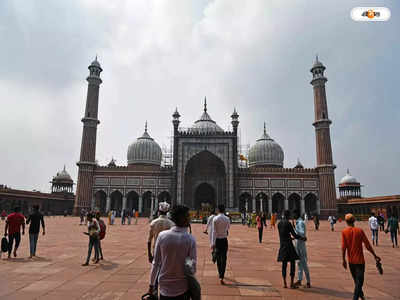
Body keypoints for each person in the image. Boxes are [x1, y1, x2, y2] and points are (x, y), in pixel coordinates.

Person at [148, 205, 196, 299]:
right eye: (188, 216)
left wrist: (151, 285)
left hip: (164, 287)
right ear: (184, 219)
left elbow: (156, 264)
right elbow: (191, 267)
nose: (189, 219)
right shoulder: (190, 240)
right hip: (182, 287)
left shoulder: (162, 236)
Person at [342, 213, 381, 300]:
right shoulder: (359, 231)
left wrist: (343, 260)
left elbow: (343, 247)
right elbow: (367, 245)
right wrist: (374, 255)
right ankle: (356, 297)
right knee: (359, 282)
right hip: (360, 261)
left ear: (346, 222)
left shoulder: (344, 232)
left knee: (357, 281)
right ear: (354, 221)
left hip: (351, 261)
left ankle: (360, 295)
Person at [277, 210, 305, 289]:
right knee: (292, 263)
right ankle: (291, 283)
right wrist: (302, 238)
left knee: (284, 264)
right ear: (288, 216)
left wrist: (289, 237)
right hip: (289, 246)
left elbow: (283, 235)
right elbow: (295, 235)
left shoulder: (279, 224)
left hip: (282, 245)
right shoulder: (288, 223)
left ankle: (284, 283)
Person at [211, 204, 230, 285]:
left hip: (217, 240)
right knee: (224, 258)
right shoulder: (227, 218)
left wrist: (212, 243)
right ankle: (222, 275)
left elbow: (214, 232)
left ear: (218, 210)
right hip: (224, 240)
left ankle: (220, 274)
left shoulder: (215, 219)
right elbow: (228, 228)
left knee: (218, 258)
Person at [293, 210, 311, 288]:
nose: (293, 216)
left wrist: (295, 230)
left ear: (297, 214)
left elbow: (302, 233)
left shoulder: (300, 222)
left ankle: (308, 281)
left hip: (301, 245)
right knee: (299, 263)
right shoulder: (298, 222)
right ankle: (299, 280)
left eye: (294, 214)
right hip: (297, 244)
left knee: (304, 263)